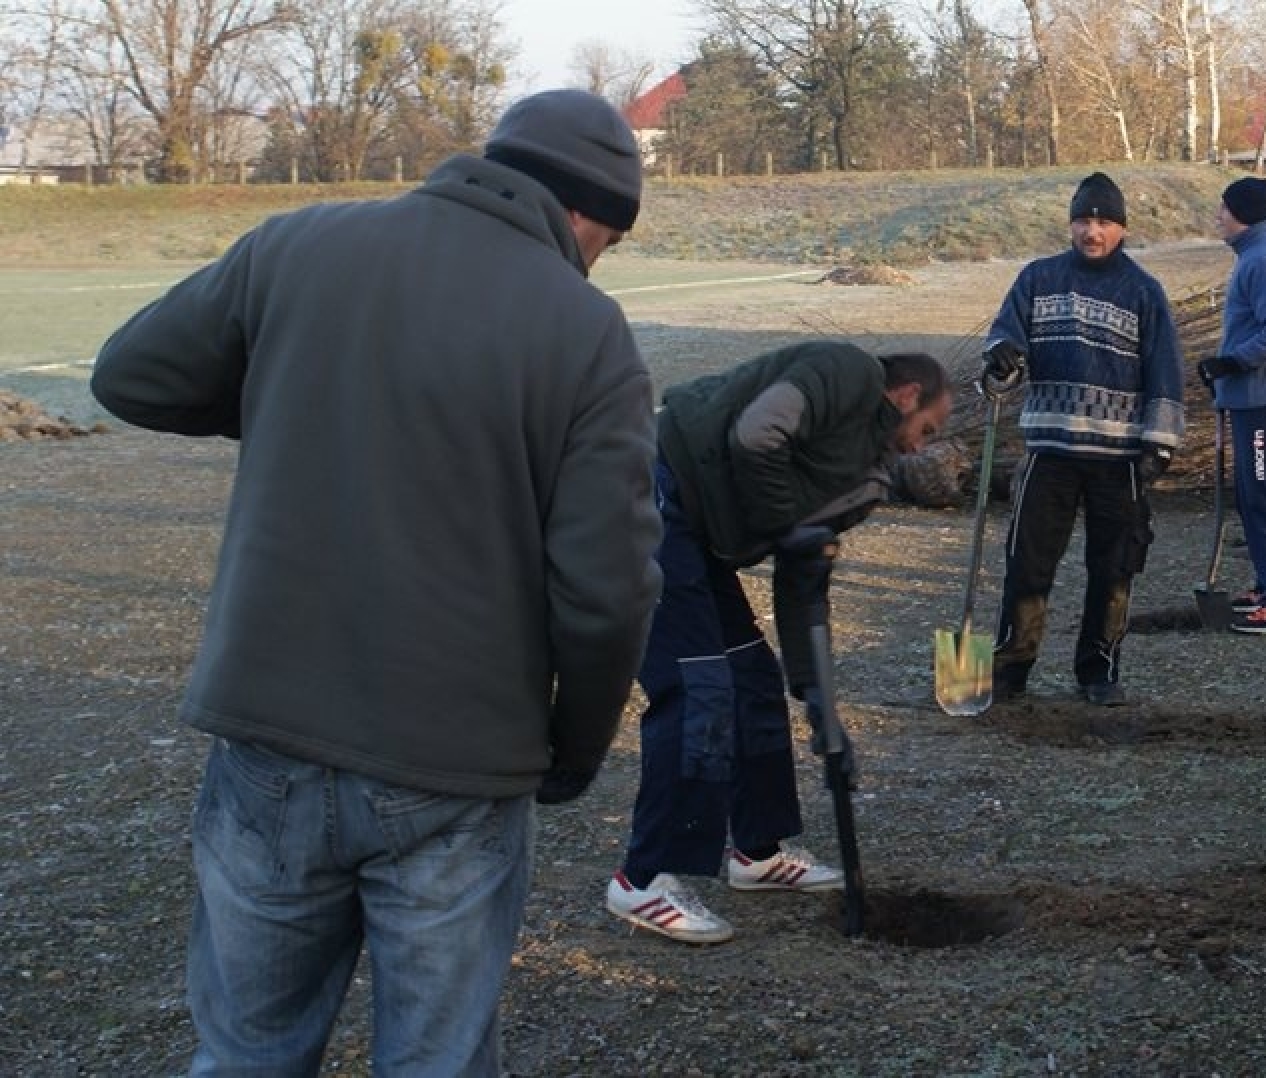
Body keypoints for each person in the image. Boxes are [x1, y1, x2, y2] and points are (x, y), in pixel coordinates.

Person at [89, 89, 663, 1073]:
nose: (593, 264)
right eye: (605, 243)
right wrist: (573, 749)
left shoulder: (296, 243)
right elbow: (608, 588)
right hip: (457, 767)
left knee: (245, 1053)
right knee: (436, 1060)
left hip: (267, 736)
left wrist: (304, 397)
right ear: (585, 213)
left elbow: (131, 375)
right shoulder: (585, 329)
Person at [607, 342, 952, 944]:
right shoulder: (846, 373)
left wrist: (817, 699)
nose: (921, 447)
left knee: (754, 681)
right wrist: (784, 525)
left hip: (701, 536)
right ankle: (641, 881)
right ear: (906, 395)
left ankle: (758, 852)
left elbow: (802, 580)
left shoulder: (865, 481)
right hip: (653, 490)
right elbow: (757, 434)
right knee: (697, 689)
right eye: (928, 428)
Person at [979, 171, 1186, 706]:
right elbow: (1006, 338)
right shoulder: (1038, 278)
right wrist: (1000, 357)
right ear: (1070, 224)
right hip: (1049, 451)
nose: (1092, 232)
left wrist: (1159, 444)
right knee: (1027, 563)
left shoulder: (1143, 291)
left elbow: (1165, 372)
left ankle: (1099, 671)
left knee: (1113, 567)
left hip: (1119, 458)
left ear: (1122, 228)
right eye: (1083, 220)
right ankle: (1010, 668)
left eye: (1104, 222)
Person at [1201, 175, 1266, 635]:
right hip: (1249, 399)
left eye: (1224, 209)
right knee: (1252, 496)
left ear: (1241, 214)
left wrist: (1234, 362)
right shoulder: (1253, 257)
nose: (1218, 217)